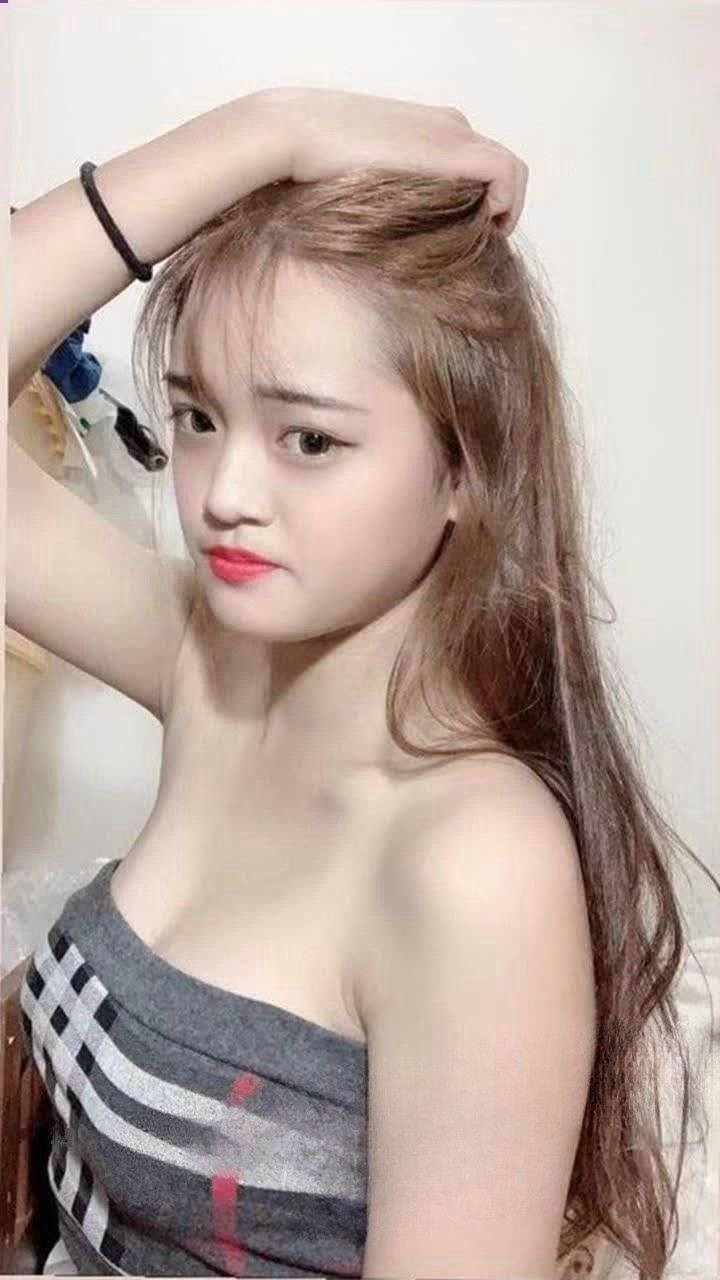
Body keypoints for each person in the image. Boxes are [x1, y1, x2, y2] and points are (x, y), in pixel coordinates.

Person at [8, 87, 714, 1280]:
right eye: (197, 416)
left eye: (310, 439)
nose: (226, 493)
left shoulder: (475, 863)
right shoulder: (212, 666)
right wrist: (267, 132)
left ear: (465, 470)